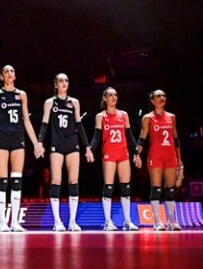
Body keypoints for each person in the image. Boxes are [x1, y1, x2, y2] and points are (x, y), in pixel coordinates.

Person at [0, 65, 44, 232]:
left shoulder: (21, 94)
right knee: (2, 180)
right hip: (1, 137)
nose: (10, 73)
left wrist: (36, 143)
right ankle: (2, 222)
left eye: (12, 71)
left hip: (18, 138)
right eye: (7, 71)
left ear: (15, 76)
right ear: (2, 76)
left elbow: (26, 121)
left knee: (16, 180)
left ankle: (15, 222)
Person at [37, 73, 94, 232]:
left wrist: (87, 147)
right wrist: (40, 142)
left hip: (72, 144)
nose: (64, 83)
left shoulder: (74, 102)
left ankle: (72, 221)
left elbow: (79, 125)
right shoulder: (50, 102)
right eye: (60, 80)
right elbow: (44, 124)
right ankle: (57, 221)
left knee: (74, 180)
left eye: (66, 80)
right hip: (56, 144)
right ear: (55, 84)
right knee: (56, 180)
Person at [89, 87, 141, 231]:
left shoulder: (124, 115)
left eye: (116, 95)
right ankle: (108, 221)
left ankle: (127, 221)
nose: (114, 97)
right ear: (105, 98)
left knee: (126, 187)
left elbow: (130, 136)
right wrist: (90, 150)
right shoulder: (101, 116)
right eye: (110, 95)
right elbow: (96, 137)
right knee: (109, 187)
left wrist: (136, 153)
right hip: (109, 154)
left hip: (123, 153)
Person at [137, 89, 183, 230]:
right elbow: (142, 138)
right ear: (152, 100)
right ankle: (157, 222)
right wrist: (137, 154)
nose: (162, 97)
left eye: (164, 95)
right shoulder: (147, 118)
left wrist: (180, 160)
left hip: (170, 155)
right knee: (156, 188)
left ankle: (171, 221)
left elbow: (176, 139)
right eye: (158, 96)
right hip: (155, 156)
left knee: (170, 189)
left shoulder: (171, 117)